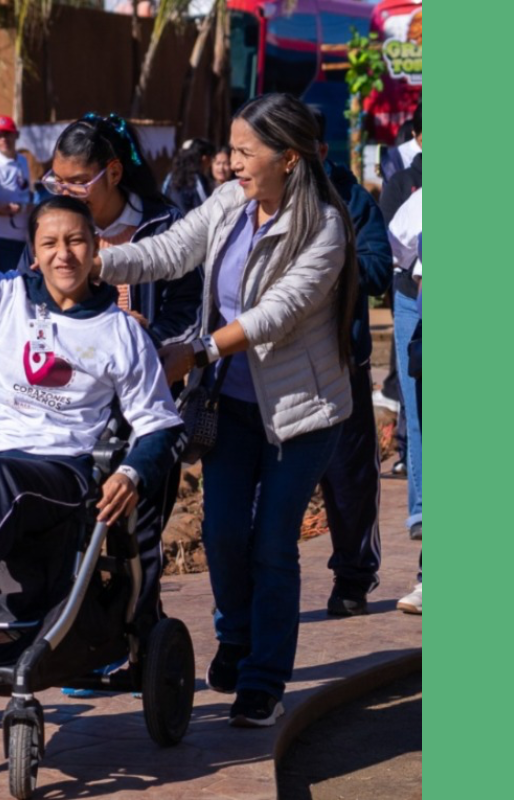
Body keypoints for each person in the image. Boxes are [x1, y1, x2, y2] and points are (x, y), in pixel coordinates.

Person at [95, 93, 359, 728]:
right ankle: (236, 636)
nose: (231, 162)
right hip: (231, 408)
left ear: (288, 159)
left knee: (273, 543)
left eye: (245, 151)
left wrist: (198, 350)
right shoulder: (230, 203)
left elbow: (279, 313)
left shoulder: (322, 224)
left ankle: (265, 678)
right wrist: (87, 258)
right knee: (221, 535)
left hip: (303, 414)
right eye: (231, 148)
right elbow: (169, 250)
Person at [0, 127, 184, 667]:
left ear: (96, 251)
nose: (63, 255)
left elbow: (158, 426)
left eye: (75, 242)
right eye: (49, 244)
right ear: (34, 255)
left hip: (63, 474)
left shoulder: (122, 331)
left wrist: (131, 474)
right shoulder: (7, 301)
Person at [46, 113, 202, 633]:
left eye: (76, 182)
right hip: (74, 404)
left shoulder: (165, 226)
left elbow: (191, 306)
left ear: (113, 173)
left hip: (146, 401)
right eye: (56, 181)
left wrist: (143, 338)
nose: (65, 192)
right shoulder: (58, 227)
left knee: (139, 524)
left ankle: (139, 641)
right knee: (72, 520)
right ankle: (79, 637)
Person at [307, 106, 394, 617]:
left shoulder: (352, 200)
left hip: (342, 364)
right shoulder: (257, 201)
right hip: (272, 370)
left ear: (320, 150)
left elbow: (380, 268)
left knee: (349, 480)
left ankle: (352, 579)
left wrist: (327, 262)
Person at [388, 186, 424, 543]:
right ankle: (422, 509)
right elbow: (396, 247)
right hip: (413, 300)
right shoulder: (420, 201)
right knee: (416, 408)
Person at [0, 115, 33, 273]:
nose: (3, 139)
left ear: (16, 135)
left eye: (7, 134)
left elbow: (23, 190)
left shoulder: (22, 160)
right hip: (1, 241)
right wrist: (19, 208)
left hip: (21, 238)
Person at [163, 138, 216, 213]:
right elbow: (205, 207)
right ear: (204, 159)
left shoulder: (171, 176)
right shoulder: (197, 181)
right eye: (211, 159)